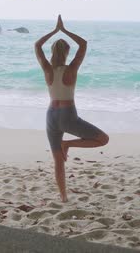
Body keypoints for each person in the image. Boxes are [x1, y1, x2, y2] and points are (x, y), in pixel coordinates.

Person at [34, 15, 109, 202]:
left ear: (52, 51)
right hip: (68, 116)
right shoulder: (72, 69)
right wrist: (64, 30)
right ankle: (68, 143)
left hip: (51, 115)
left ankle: (63, 197)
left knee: (58, 161)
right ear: (67, 52)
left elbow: (37, 46)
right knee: (102, 139)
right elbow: (83, 44)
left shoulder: (47, 69)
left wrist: (54, 31)